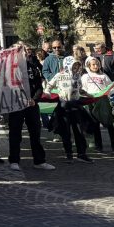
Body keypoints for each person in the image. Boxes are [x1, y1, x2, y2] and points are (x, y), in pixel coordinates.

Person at [7, 43, 55, 172]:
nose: (25, 52)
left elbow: (39, 85)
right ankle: (14, 160)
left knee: (35, 133)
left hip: (32, 105)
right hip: (16, 105)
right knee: (15, 134)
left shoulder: (32, 66)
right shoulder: (9, 68)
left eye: (25, 50)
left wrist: (35, 99)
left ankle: (39, 160)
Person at [47, 60, 93, 164]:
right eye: (74, 65)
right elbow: (49, 86)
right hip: (64, 107)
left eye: (77, 65)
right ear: (68, 65)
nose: (76, 67)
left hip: (76, 106)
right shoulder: (59, 75)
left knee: (79, 131)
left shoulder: (77, 76)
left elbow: (80, 89)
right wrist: (48, 93)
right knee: (66, 132)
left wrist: (89, 95)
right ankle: (69, 154)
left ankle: (82, 154)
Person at [81, 56, 114, 152]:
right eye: (93, 64)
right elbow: (82, 89)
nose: (95, 66)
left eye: (97, 64)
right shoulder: (85, 77)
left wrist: (108, 92)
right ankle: (99, 146)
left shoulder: (104, 76)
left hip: (103, 101)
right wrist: (86, 95)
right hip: (91, 102)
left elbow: (112, 87)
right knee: (95, 124)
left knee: (109, 123)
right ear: (88, 65)